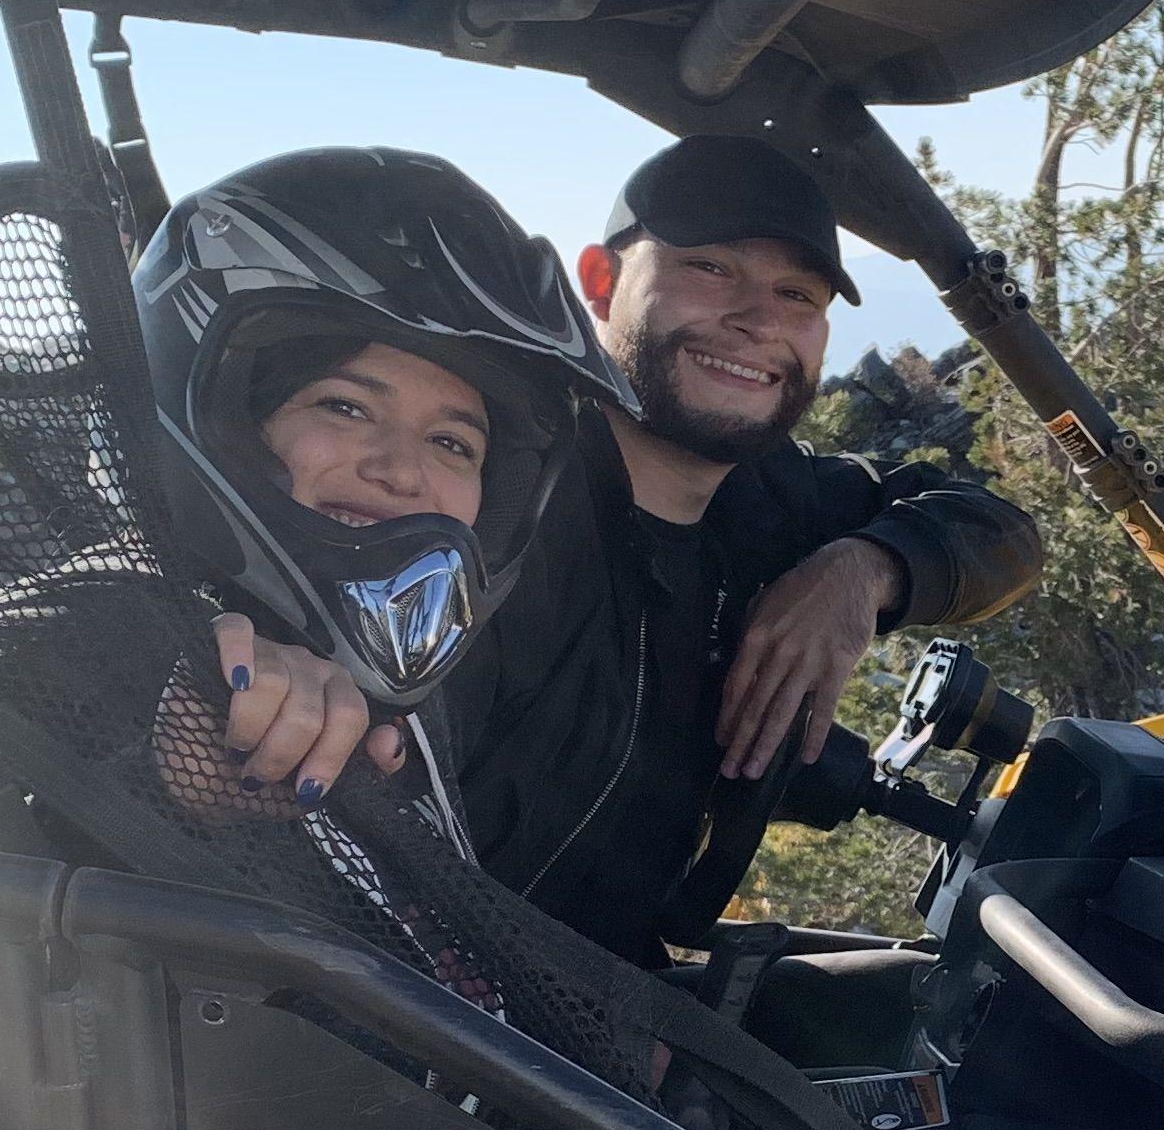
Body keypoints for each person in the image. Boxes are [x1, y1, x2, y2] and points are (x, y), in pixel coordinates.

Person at [0, 147, 633, 1023]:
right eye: (346, 407)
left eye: (454, 443)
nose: (403, 470)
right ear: (229, 417)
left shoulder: (399, 693)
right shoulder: (63, 628)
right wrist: (161, 793)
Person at [435, 133, 1042, 964]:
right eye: (711, 269)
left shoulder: (774, 502)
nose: (759, 321)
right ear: (601, 282)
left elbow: (1003, 532)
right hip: (410, 993)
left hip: (612, 992)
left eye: (797, 294)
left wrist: (865, 570)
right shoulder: (488, 486)